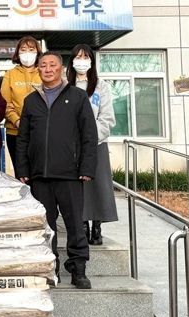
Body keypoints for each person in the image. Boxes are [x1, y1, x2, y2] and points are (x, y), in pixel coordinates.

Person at [15, 51, 97, 289]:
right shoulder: (31, 100)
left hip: (70, 173)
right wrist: (23, 169)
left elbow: (89, 135)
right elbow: (23, 139)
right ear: (38, 70)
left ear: (61, 68)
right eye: (43, 65)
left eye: (52, 65)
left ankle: (78, 267)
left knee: (75, 223)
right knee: (45, 226)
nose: (48, 69)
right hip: (40, 175)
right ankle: (51, 267)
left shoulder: (78, 97)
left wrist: (87, 167)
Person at [67, 44, 118, 246]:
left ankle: (97, 225)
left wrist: (90, 136)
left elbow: (107, 118)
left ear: (92, 61)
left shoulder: (101, 86)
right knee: (78, 187)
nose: (82, 61)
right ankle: (82, 224)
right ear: (71, 61)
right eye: (78, 57)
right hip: (72, 146)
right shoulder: (66, 85)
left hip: (97, 143)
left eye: (86, 57)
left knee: (98, 186)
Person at [1, 36, 42, 170]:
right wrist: (18, 121)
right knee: (21, 172)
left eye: (31, 49)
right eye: (23, 50)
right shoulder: (10, 74)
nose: (27, 53)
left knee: (39, 171)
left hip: (40, 131)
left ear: (37, 52)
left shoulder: (44, 72)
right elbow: (5, 103)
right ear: (18, 53)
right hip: (15, 133)